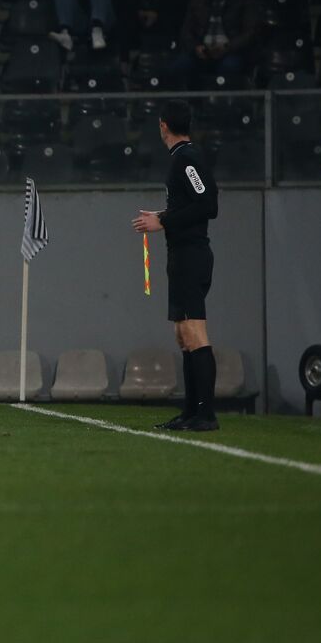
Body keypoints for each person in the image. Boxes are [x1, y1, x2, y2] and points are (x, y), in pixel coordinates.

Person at [133, 100, 221, 431]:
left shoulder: (186, 158)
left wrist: (164, 221)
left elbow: (208, 204)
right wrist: (161, 215)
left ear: (163, 126)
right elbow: (191, 204)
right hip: (182, 255)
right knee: (183, 334)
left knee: (195, 332)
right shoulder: (182, 159)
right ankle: (190, 412)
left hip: (191, 256)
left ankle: (206, 414)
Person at [179, 0, 263, 81]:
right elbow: (187, 30)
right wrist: (195, 47)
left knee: (230, 67)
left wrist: (227, 47)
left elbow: (250, 32)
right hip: (202, 50)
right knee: (179, 66)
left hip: (231, 51)